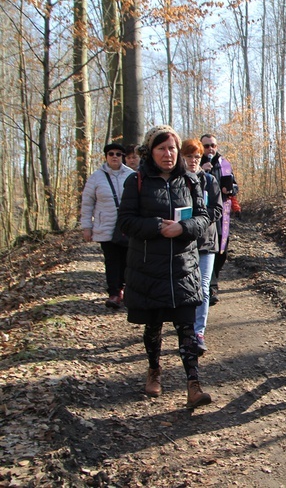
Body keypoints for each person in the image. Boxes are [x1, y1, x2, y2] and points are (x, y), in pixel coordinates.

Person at [117, 125, 212, 409]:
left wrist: (183, 227)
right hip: (149, 268)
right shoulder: (136, 181)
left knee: (186, 327)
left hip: (183, 266)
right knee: (153, 325)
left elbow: (204, 217)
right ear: (151, 151)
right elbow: (126, 222)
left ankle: (193, 385)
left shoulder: (192, 181)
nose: (168, 154)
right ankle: (154, 369)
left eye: (172, 148)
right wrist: (158, 227)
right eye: (161, 148)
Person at [80, 142, 134, 308]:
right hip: (106, 227)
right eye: (111, 154)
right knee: (111, 261)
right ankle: (114, 293)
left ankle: (125, 290)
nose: (115, 157)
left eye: (118, 154)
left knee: (128, 260)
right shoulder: (96, 177)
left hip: (127, 226)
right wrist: (86, 227)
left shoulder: (131, 175)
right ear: (106, 156)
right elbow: (87, 203)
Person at [182, 139, 223, 354]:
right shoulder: (177, 181)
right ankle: (186, 328)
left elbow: (217, 209)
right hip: (182, 242)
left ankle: (199, 331)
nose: (193, 161)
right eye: (189, 157)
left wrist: (199, 221)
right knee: (186, 287)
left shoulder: (209, 180)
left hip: (206, 242)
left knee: (204, 287)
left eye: (197, 157)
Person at [200, 133, 238, 305]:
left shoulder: (224, 163)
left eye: (213, 145)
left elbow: (235, 186)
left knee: (222, 248)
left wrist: (230, 189)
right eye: (207, 146)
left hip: (223, 210)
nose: (210, 149)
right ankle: (210, 286)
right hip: (203, 211)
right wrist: (203, 172)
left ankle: (213, 276)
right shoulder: (196, 161)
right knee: (208, 248)